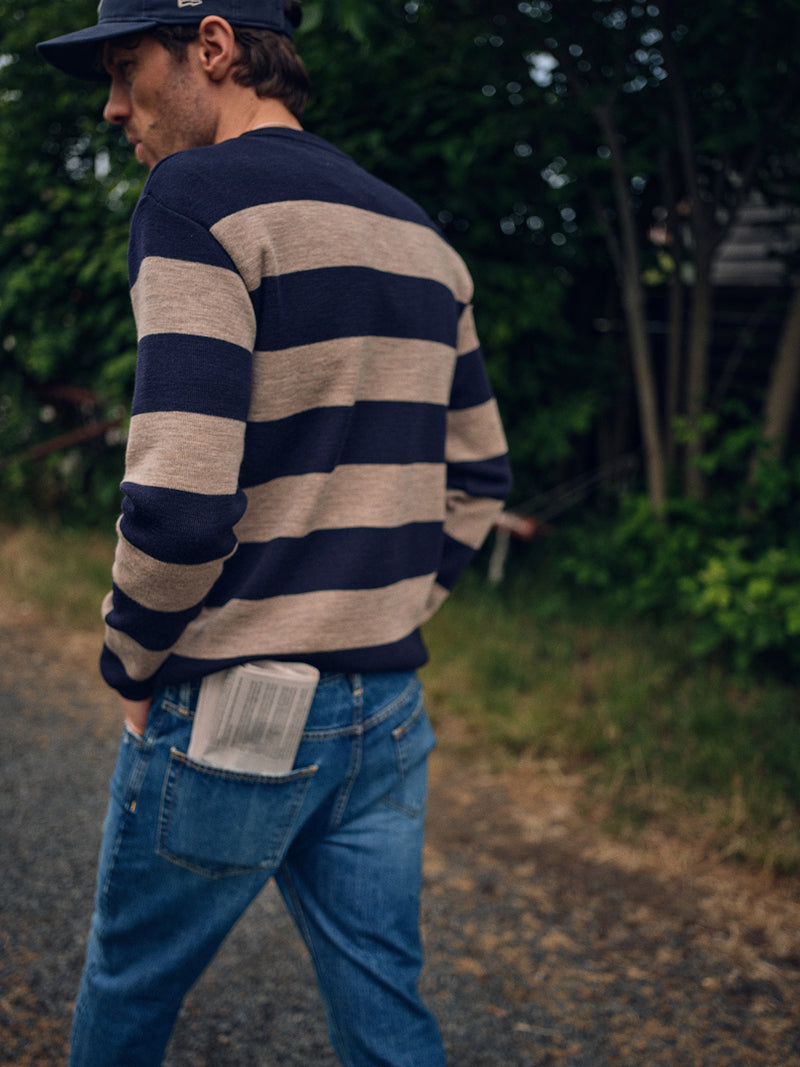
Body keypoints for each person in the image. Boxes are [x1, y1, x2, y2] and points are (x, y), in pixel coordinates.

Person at [38, 2, 512, 1064]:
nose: (114, 107)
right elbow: (479, 474)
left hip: (233, 710)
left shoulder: (193, 198)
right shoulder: (417, 234)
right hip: (387, 713)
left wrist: (130, 656)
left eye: (126, 69)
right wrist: (384, 606)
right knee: (385, 1011)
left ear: (212, 46)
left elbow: (180, 499)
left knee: (127, 998)